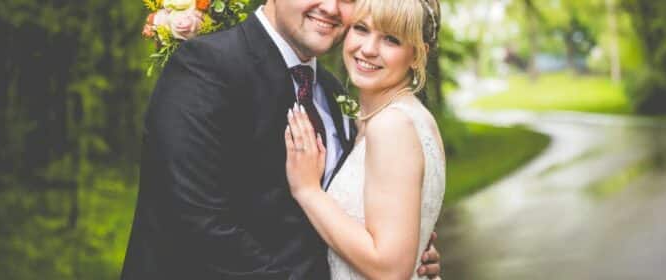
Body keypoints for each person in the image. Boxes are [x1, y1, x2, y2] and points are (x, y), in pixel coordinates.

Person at [121, 0, 441, 279]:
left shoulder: (333, 93)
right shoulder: (205, 67)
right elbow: (194, 222)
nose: (330, 7)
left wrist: (402, 250)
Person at [284, 0, 445, 278]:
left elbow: (391, 269)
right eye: (361, 28)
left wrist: (308, 192)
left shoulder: (392, 126)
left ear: (418, 55)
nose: (368, 49)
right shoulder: (394, 119)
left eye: (391, 39)